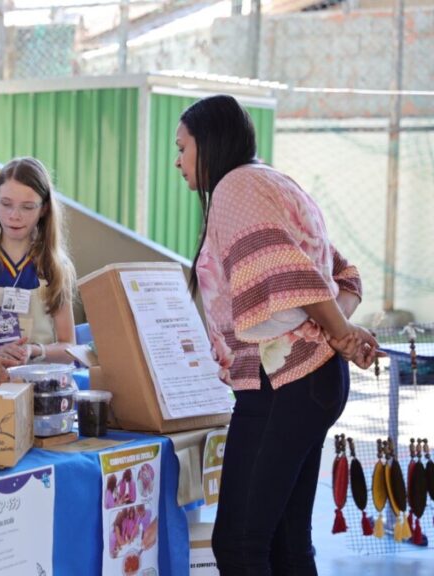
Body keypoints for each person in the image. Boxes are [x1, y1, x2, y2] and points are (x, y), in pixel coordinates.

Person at [174, 94, 379, 575]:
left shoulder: (236, 188)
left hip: (281, 385)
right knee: (286, 542)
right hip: (313, 381)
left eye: (182, 148)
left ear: (210, 143)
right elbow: (341, 277)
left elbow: (287, 273)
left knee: (240, 544)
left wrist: (341, 330)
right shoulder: (274, 183)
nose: (177, 161)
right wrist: (339, 332)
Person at [0, 157, 76, 367]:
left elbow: (69, 345)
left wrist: (33, 350)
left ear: (44, 208)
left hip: (38, 388)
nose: (14, 215)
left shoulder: (55, 268)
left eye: (27, 207)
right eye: (6, 204)